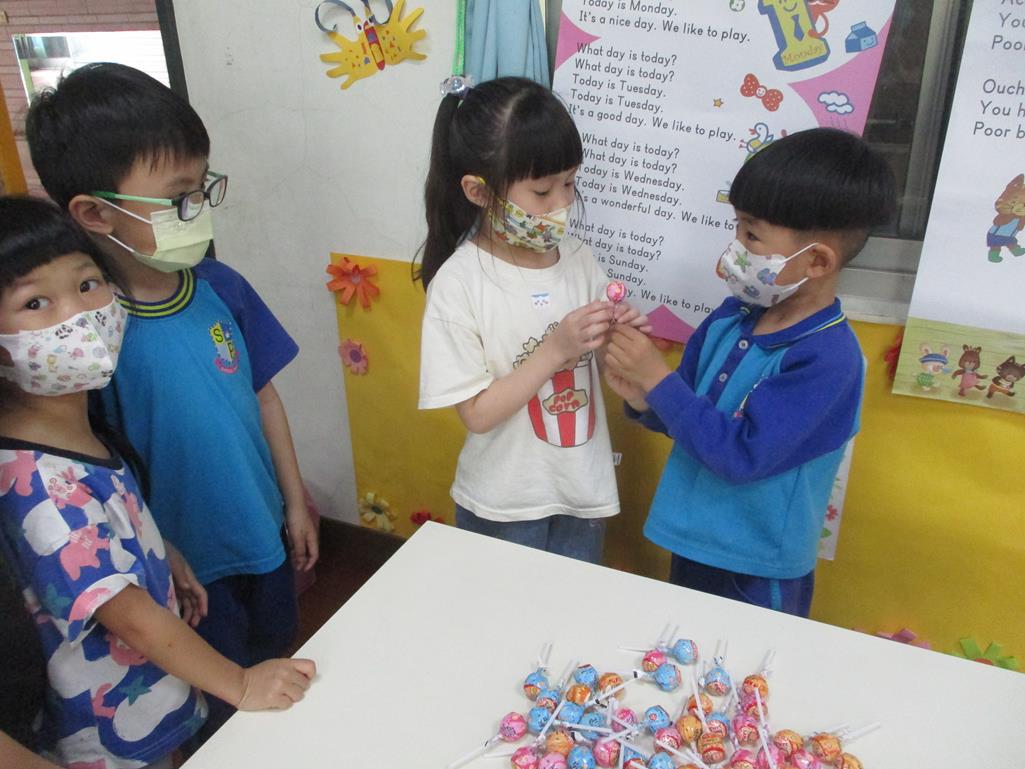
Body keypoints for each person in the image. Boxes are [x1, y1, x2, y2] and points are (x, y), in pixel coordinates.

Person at [25, 63, 318, 737]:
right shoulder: (89, 336)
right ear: (95, 213)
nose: (199, 210)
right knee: (220, 707)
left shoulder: (222, 287)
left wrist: (295, 501)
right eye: (179, 197)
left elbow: (265, 398)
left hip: (263, 535)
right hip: (181, 571)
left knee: (281, 674)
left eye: (202, 188)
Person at [605, 128, 896, 616]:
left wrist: (657, 380)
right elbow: (691, 417)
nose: (733, 249)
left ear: (817, 260)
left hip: (757, 569)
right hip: (692, 542)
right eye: (737, 227)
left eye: (751, 234)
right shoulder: (730, 318)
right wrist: (641, 396)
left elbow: (741, 455)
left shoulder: (828, 359)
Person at [417, 76, 648, 563]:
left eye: (569, 183)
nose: (562, 203)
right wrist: (555, 351)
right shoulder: (459, 284)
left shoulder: (579, 259)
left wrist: (619, 341)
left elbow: (602, 361)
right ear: (479, 192)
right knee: (503, 610)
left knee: (571, 607)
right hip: (503, 503)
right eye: (542, 190)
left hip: (581, 494)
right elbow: (478, 414)